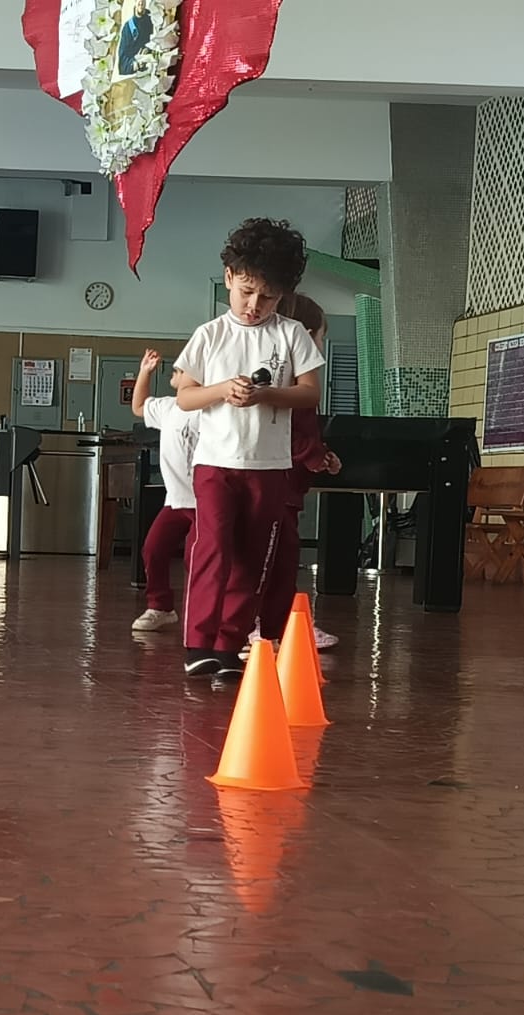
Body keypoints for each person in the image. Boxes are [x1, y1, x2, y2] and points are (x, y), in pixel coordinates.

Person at [174, 218, 325, 682]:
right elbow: (185, 397)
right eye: (246, 292)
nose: (255, 305)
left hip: (270, 467)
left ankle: (229, 645)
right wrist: (223, 389)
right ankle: (198, 643)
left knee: (253, 556)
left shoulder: (292, 335)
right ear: (229, 278)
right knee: (213, 548)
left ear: (283, 296)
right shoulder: (209, 334)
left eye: (268, 297)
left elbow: (310, 393)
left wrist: (266, 395)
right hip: (215, 464)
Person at [251, 292, 341, 653]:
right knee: (276, 559)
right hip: (280, 483)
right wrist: (316, 457)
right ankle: (266, 626)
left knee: (278, 558)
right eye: (320, 337)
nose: (321, 346)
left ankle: (279, 624)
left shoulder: (284, 380)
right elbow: (292, 432)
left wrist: (321, 454)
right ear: (302, 335)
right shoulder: (295, 387)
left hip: (282, 481)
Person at [128, 349, 201, 634]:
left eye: (182, 369)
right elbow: (138, 406)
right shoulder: (168, 407)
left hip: (205, 502)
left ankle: (201, 613)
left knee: (196, 558)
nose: (175, 371)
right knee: (153, 548)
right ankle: (160, 607)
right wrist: (144, 372)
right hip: (176, 501)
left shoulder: (210, 410)